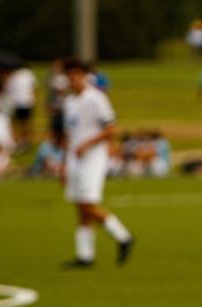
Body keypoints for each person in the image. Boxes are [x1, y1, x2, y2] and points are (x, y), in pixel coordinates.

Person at [61, 58, 134, 268]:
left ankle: (122, 236)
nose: (73, 79)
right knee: (80, 207)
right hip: (75, 158)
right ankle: (85, 255)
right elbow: (69, 135)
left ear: (84, 76)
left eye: (76, 75)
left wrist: (88, 143)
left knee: (87, 204)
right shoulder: (69, 102)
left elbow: (111, 129)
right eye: (70, 75)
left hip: (93, 158)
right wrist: (64, 164)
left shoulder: (96, 99)